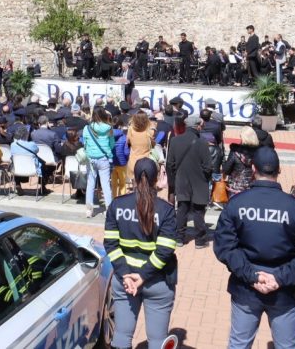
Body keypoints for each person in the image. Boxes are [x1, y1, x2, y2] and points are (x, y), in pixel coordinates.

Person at [213, 146, 295, 349]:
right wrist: (279, 278)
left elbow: (224, 247)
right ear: (279, 170)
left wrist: (252, 275)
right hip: (284, 287)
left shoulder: (237, 204)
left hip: (246, 286)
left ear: (253, 169)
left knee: (238, 344)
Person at [104, 158, 179, 349]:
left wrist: (126, 275)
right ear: (156, 179)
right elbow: (165, 250)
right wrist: (143, 276)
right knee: (157, 341)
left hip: (125, 280)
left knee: (121, 335)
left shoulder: (117, 205)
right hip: (158, 281)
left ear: (134, 177)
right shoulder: (166, 210)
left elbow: (111, 244)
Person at [166, 116, 211, 248]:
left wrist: (172, 181)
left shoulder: (174, 141)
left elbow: (170, 164)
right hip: (199, 180)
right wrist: (205, 179)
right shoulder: (202, 142)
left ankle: (179, 238)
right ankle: (200, 240)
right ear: (197, 127)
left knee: (182, 209)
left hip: (181, 179)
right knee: (198, 211)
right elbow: (208, 166)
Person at [82, 111, 115, 218]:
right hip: (104, 158)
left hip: (91, 158)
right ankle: (109, 209)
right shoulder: (109, 128)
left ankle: (89, 210)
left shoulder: (87, 128)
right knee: (105, 185)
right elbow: (112, 144)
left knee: (90, 184)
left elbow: (85, 143)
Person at [223, 127, 259, 198]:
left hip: (235, 187)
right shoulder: (258, 152)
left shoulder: (235, 152)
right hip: (251, 187)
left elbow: (226, 169)